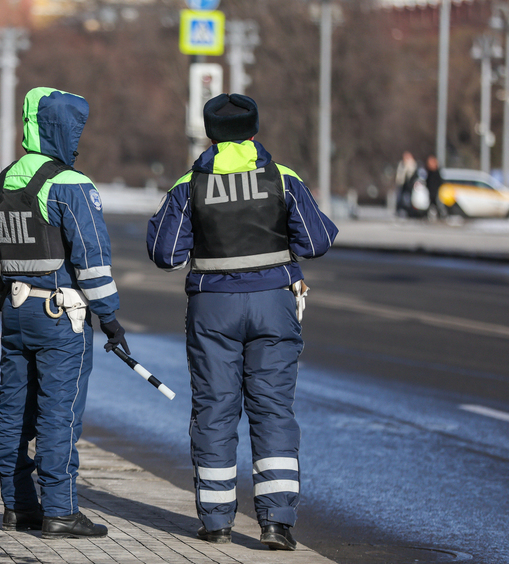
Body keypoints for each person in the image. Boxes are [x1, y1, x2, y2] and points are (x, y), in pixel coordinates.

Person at [146, 94, 338, 550]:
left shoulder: (189, 183)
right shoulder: (281, 177)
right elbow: (316, 240)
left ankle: (216, 523)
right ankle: (277, 525)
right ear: (254, 132)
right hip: (273, 303)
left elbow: (165, 253)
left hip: (213, 308)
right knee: (272, 410)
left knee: (215, 410)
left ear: (210, 135)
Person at [0, 87, 128, 539]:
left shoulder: (2, 182)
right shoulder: (70, 183)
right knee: (58, 414)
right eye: (76, 129)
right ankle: (61, 511)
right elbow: (92, 258)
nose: (79, 138)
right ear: (60, 129)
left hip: (15, 311)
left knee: (12, 411)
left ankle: (18, 506)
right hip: (60, 317)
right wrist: (110, 316)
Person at [395, 151, 418, 216]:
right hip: (402, 184)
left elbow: (411, 174)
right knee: (400, 198)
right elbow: (399, 175)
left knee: (409, 199)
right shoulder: (401, 164)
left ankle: (410, 211)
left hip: (410, 185)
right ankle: (399, 210)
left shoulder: (413, 164)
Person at [424, 154, 444, 219]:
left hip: (435, 190)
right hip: (430, 190)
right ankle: (428, 215)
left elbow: (439, 181)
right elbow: (427, 181)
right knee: (431, 204)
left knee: (436, 204)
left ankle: (440, 215)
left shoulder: (437, 171)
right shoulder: (429, 171)